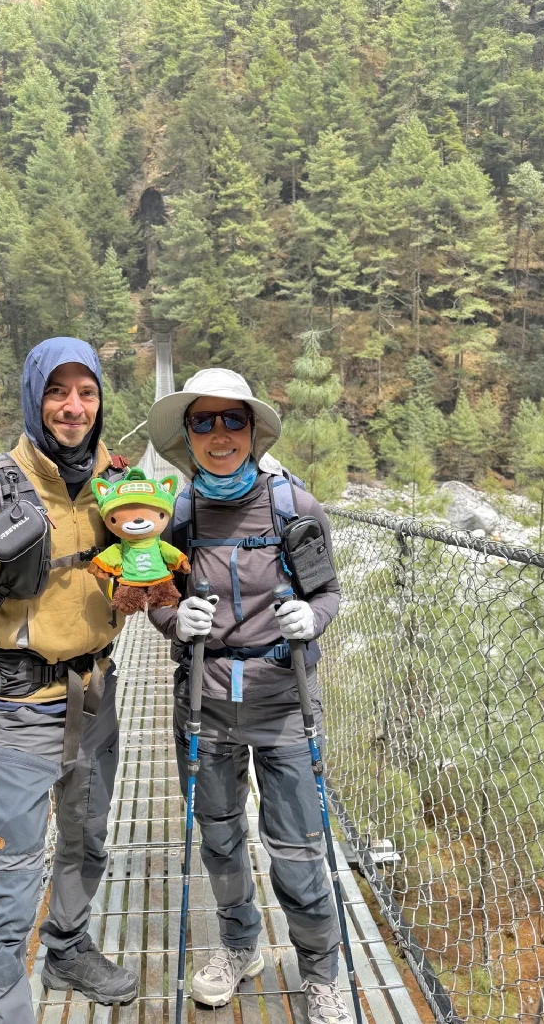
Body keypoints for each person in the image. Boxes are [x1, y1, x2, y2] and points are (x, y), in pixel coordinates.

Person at [0, 337, 139, 1024]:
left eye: (87, 392)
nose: (73, 407)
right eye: (58, 391)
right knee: (13, 881)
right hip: (17, 711)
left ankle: (68, 946)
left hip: (97, 696)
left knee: (89, 842)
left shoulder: (115, 480)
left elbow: (136, 563)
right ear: (34, 397)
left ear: (100, 402)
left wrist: (139, 594)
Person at [146, 367, 348, 1024]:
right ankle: (239, 947)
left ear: (254, 429)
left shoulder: (294, 505)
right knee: (222, 839)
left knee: (297, 848)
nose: (219, 433)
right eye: (203, 421)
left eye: (232, 419)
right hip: (205, 706)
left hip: (282, 704)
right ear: (189, 435)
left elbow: (329, 594)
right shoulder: (179, 512)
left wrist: (309, 620)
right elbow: (157, 596)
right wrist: (176, 620)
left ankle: (321, 973)